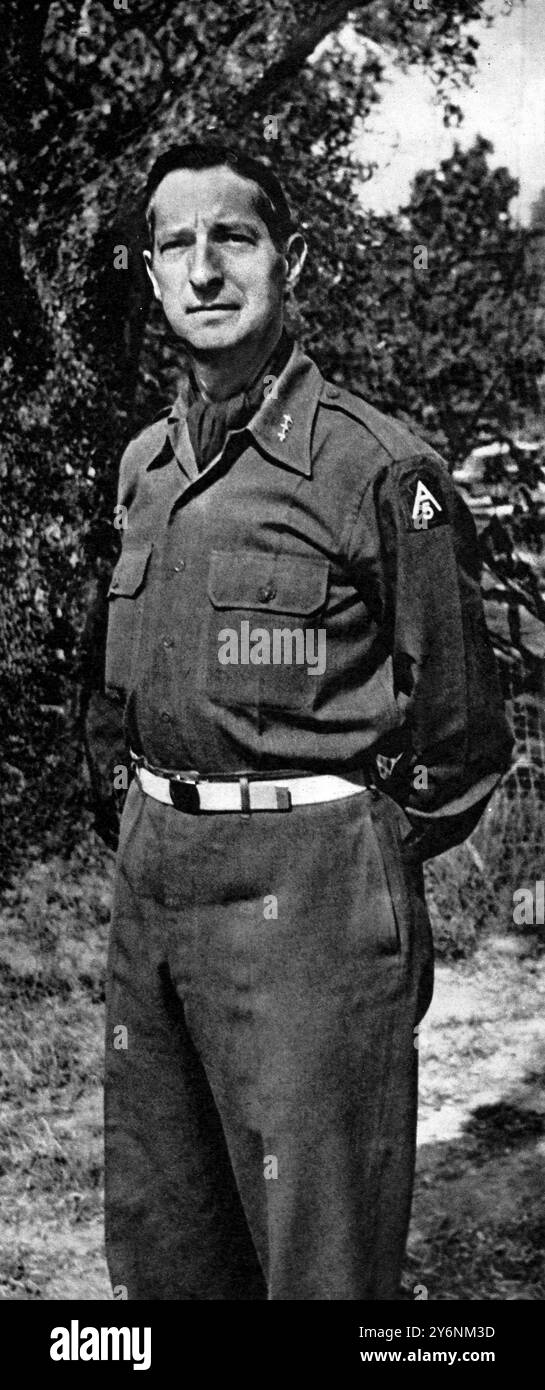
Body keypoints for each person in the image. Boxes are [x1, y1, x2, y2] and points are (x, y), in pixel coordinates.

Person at [99, 141, 512, 1301]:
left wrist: (356, 849)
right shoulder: (142, 467)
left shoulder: (378, 468)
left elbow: (461, 732)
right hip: (155, 887)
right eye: (176, 244)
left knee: (316, 1265)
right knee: (165, 1247)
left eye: (234, 236)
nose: (204, 268)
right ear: (149, 272)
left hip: (313, 894)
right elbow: (114, 697)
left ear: (295, 260)